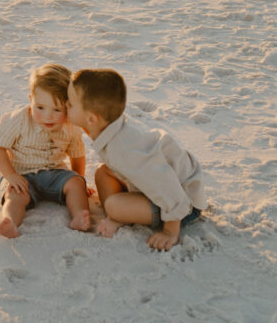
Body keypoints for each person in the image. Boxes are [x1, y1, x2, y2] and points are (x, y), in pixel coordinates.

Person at [66, 68, 206, 251]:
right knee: (102, 172)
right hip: (154, 187)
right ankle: (123, 214)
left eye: (70, 104)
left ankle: (121, 215)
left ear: (91, 118)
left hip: (183, 202)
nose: (65, 105)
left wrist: (170, 231)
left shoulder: (125, 149)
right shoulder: (109, 126)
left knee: (113, 205)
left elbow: (166, 182)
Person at [0, 63, 90, 238]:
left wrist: (79, 180)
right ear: (31, 100)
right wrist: (10, 175)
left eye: (57, 109)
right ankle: (10, 221)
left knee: (76, 184)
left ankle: (79, 216)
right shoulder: (19, 120)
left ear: (69, 106)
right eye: (40, 107)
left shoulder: (71, 126)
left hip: (55, 173)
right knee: (14, 195)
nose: (48, 116)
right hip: (22, 174)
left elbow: (77, 154)